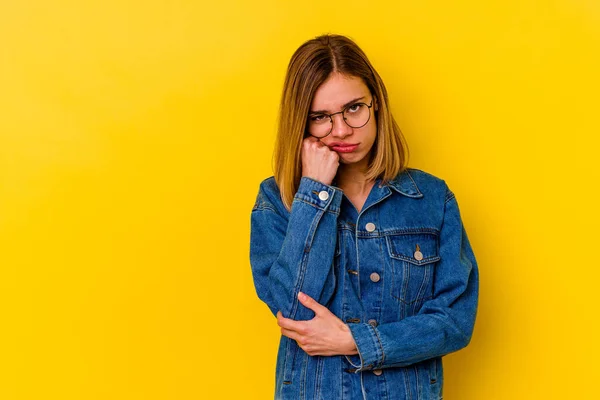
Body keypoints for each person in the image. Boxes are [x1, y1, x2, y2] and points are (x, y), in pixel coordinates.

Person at [249, 33, 479, 400]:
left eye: (353, 107)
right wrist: (315, 193)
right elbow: (293, 309)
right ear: (302, 123)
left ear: (376, 103)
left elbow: (454, 321)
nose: (340, 130)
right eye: (320, 116)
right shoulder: (278, 200)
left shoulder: (432, 199)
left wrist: (357, 342)